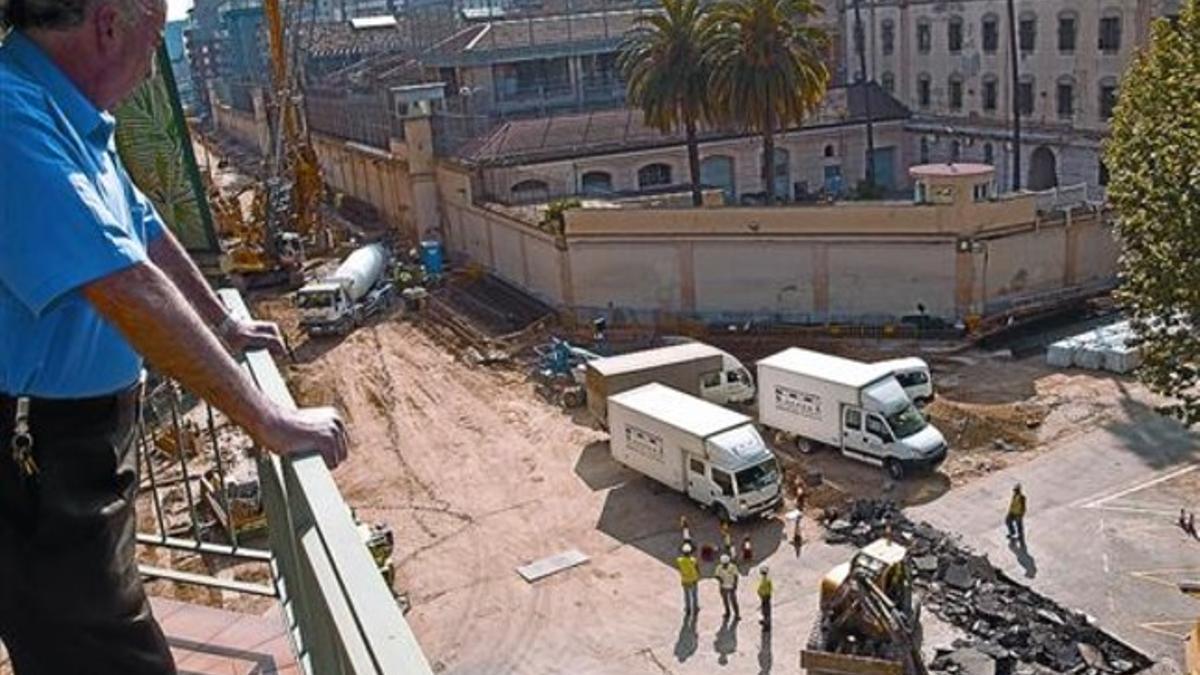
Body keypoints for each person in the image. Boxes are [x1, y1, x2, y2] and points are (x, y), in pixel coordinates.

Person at [0, 2, 349, 673]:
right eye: (156, 37)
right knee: (102, 652)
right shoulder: (11, 117)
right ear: (107, 24)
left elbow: (144, 226)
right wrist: (268, 417)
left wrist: (222, 322)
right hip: (39, 459)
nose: (155, 60)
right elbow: (123, 281)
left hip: (79, 445)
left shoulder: (65, 111)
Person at [676, 543, 700, 615]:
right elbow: (697, 568)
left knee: (686, 595)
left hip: (685, 579)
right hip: (693, 579)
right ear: (690, 553)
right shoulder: (693, 560)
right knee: (694, 595)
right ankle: (695, 608)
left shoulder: (679, 561)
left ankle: (688, 609)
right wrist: (698, 575)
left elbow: (679, 568)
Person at [714, 553, 740, 620]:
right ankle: (727, 613)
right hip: (723, 587)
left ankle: (737, 614)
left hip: (731, 587)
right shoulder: (719, 567)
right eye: (724, 564)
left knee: (733, 601)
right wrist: (720, 579)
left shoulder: (733, 567)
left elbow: (736, 576)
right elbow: (716, 575)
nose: (725, 565)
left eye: (726, 564)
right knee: (725, 601)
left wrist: (735, 585)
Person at [757, 566, 773, 630]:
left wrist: (761, 594)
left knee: (766, 611)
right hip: (766, 596)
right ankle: (765, 621)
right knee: (765, 610)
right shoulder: (767, 579)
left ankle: (766, 625)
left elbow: (764, 588)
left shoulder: (765, 580)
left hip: (765, 596)